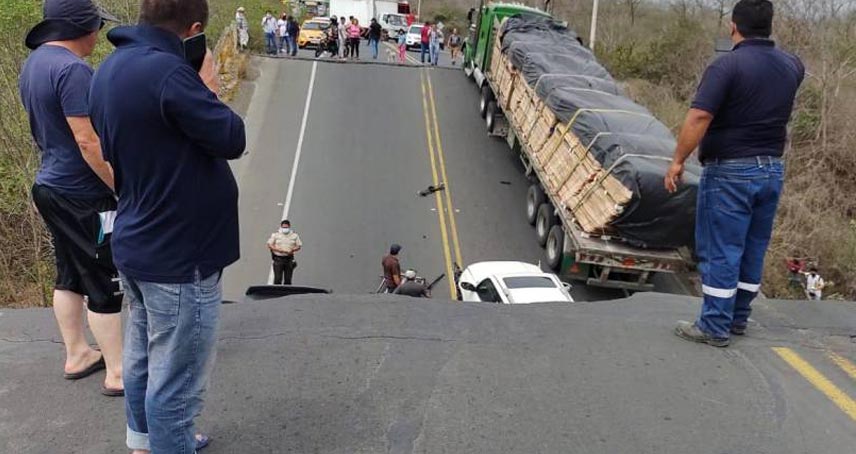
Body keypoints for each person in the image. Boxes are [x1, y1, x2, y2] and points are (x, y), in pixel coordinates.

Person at [89, 0, 247, 451]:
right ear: (193, 29)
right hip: (181, 255)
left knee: (140, 358)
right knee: (177, 381)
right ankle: (169, 441)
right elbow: (231, 136)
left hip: (139, 241)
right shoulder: (170, 75)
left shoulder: (110, 68)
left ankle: (144, 441)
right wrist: (209, 85)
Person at [667, 0, 804, 347]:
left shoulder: (726, 67)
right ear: (770, 25)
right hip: (771, 169)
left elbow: (699, 117)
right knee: (753, 246)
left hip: (731, 171)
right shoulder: (792, 65)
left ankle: (714, 326)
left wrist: (678, 160)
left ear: (733, 26)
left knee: (722, 249)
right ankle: (738, 318)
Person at [19, 0, 124, 397]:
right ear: (83, 27)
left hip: (49, 185)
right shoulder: (74, 70)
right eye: (97, 25)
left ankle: (78, 353)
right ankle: (117, 372)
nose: (99, 33)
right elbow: (87, 139)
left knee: (69, 271)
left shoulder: (35, 64)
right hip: (83, 193)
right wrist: (118, 185)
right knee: (103, 274)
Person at [267, 220, 302, 285]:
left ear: (289, 227)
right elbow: (270, 245)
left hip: (289, 259)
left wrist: (292, 250)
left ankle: (287, 293)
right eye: (284, 227)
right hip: (278, 259)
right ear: (281, 227)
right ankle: (277, 293)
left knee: (288, 279)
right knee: (277, 279)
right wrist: (278, 250)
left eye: (286, 227)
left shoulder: (294, 235)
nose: (285, 229)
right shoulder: (276, 235)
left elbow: (299, 246)